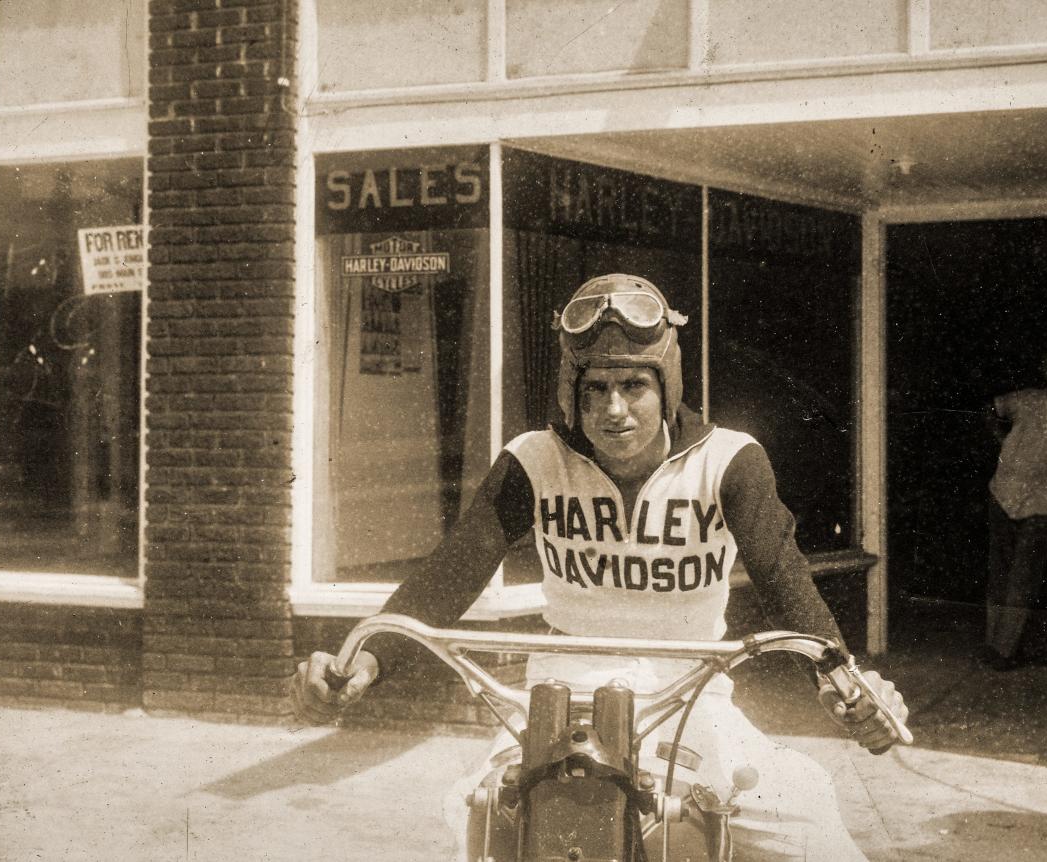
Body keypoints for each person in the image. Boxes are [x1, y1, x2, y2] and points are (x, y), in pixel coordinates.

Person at [295, 274, 908, 860]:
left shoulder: (728, 461)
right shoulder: (535, 460)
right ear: (573, 391)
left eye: (633, 386)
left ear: (666, 386)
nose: (615, 409)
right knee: (477, 816)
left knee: (803, 824)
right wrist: (365, 660)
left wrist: (847, 685)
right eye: (596, 389)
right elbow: (453, 571)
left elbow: (784, 581)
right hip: (563, 687)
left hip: (693, 690)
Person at [983, 349, 1047, 671]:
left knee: (1022, 579)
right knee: (999, 574)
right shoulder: (1027, 399)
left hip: (1044, 506)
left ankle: (1004, 651)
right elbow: (989, 408)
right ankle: (993, 645)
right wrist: (1001, 439)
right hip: (1004, 495)